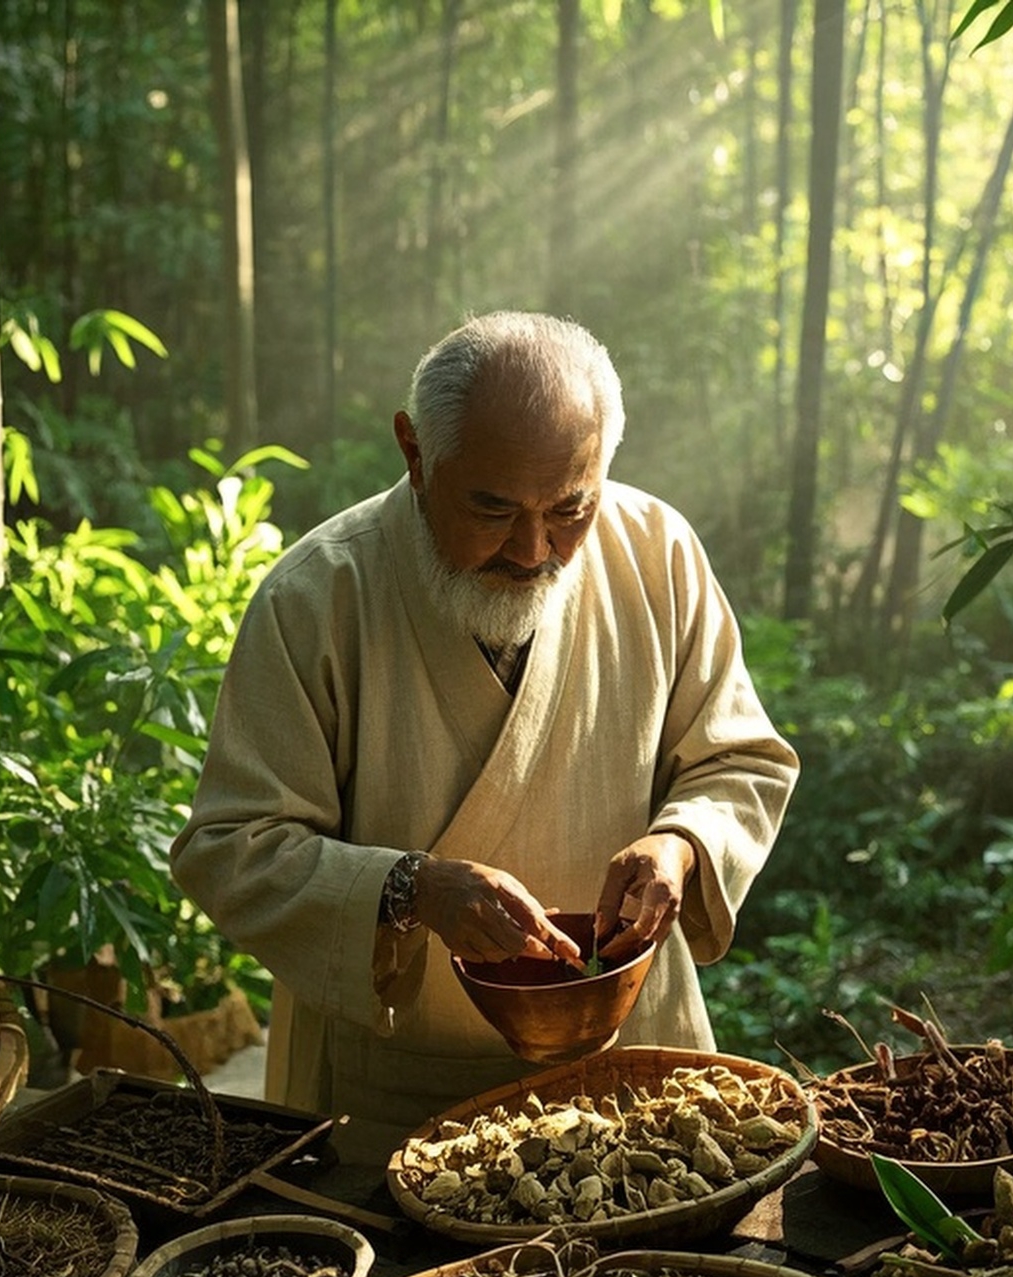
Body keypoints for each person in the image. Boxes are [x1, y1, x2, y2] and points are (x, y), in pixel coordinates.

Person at [169, 312, 799, 1130]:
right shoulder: (318, 597)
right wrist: (410, 890)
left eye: (570, 508)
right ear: (415, 453)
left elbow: (741, 760)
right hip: (396, 1082)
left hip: (632, 1063)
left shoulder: (658, 555)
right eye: (493, 508)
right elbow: (231, 846)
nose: (533, 550)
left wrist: (681, 845)